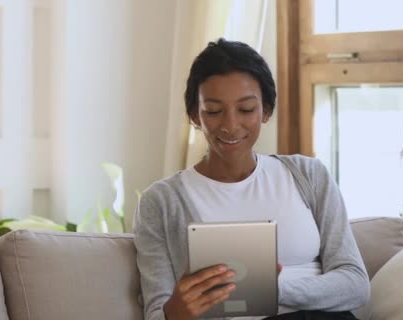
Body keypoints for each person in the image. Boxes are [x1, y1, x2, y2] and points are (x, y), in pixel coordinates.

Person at [134, 38, 370, 320]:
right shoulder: (160, 202)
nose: (231, 125)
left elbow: (356, 284)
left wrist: (270, 290)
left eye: (246, 109)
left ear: (266, 111)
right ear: (195, 116)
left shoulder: (308, 175)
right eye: (213, 111)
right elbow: (157, 314)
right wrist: (175, 313)